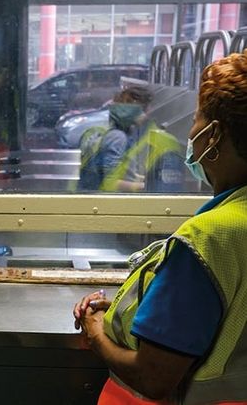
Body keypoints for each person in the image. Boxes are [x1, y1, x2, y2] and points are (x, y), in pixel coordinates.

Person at [73, 51, 247, 404]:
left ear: (214, 135)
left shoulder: (210, 238)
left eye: (198, 117)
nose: (190, 129)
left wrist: (96, 332)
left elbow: (152, 377)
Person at [77, 85, 183, 192]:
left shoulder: (123, 133)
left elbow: (121, 171)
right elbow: (110, 183)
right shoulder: (118, 137)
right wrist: (144, 187)